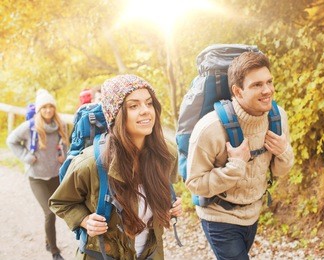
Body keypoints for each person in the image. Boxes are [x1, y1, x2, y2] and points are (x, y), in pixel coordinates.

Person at [49, 74, 182, 259]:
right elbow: (60, 202)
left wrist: (170, 205)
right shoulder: (90, 163)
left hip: (151, 253)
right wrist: (84, 220)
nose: (145, 111)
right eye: (133, 106)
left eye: (149, 103)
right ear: (116, 114)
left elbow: (165, 191)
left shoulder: (166, 153)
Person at [185, 52, 295, 260]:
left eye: (269, 82)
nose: (267, 90)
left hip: (252, 213)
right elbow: (194, 183)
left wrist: (283, 152)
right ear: (237, 91)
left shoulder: (278, 116)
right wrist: (235, 167)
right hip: (219, 216)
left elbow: (278, 171)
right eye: (257, 85)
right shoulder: (210, 128)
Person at [7, 89, 69, 260]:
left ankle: (48, 241)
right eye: (44, 107)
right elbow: (11, 140)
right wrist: (26, 157)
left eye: (51, 106)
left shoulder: (61, 125)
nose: (48, 110)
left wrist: (64, 154)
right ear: (39, 110)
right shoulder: (30, 127)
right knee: (49, 213)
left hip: (55, 175)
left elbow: (66, 144)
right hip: (37, 178)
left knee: (57, 210)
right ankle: (55, 251)